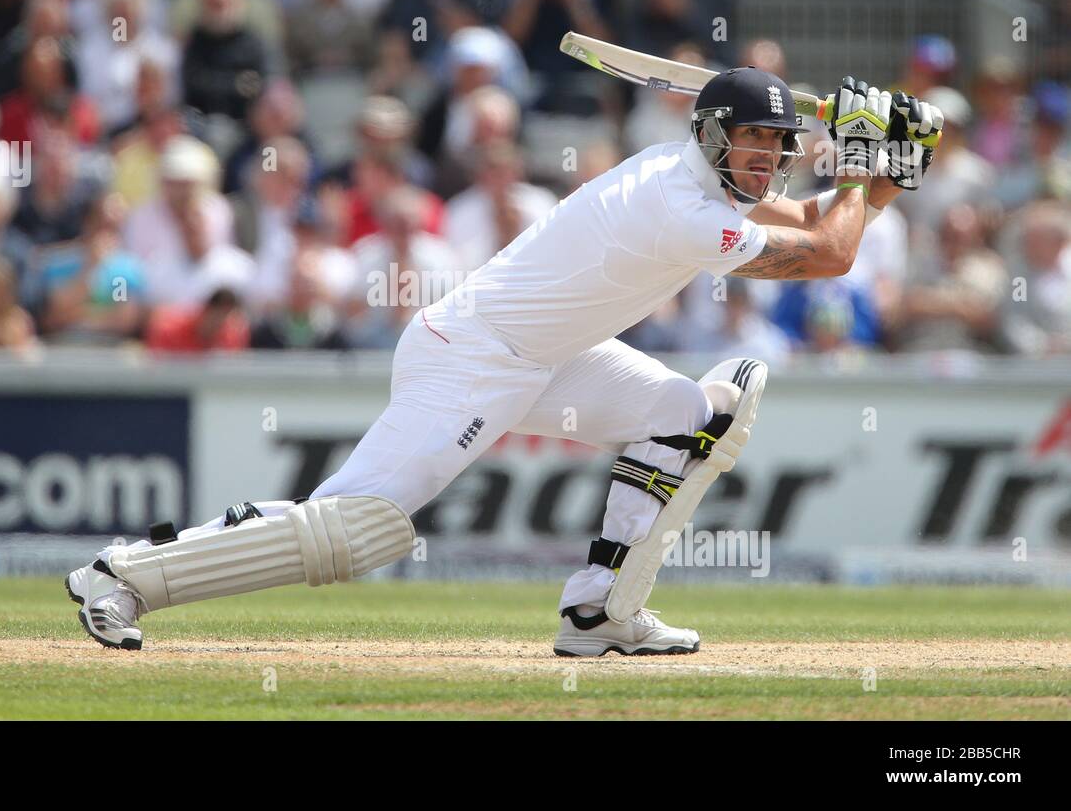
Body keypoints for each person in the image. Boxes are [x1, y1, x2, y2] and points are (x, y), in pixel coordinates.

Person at [64, 68, 944, 655]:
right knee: (357, 528)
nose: (768, 162)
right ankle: (121, 575)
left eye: (777, 146)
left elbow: (824, 220)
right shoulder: (675, 204)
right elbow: (832, 251)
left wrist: (893, 163)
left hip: (552, 357)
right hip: (473, 357)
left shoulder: (700, 179)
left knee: (691, 412)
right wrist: (873, 161)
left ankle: (601, 611)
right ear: (713, 137)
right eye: (753, 143)